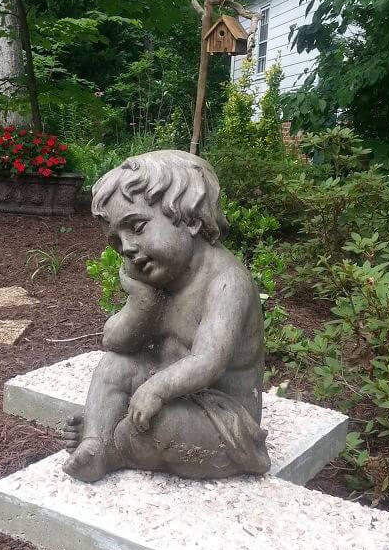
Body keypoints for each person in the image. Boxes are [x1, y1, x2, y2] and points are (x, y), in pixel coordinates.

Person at [63, 149, 271, 482]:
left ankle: (111, 446)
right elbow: (114, 341)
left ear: (188, 218)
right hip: (163, 390)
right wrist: (142, 301)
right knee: (113, 365)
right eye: (117, 242)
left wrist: (157, 389)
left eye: (137, 227)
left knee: (162, 427)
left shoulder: (227, 280)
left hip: (222, 414)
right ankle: (96, 441)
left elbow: (207, 361)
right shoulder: (158, 280)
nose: (128, 247)